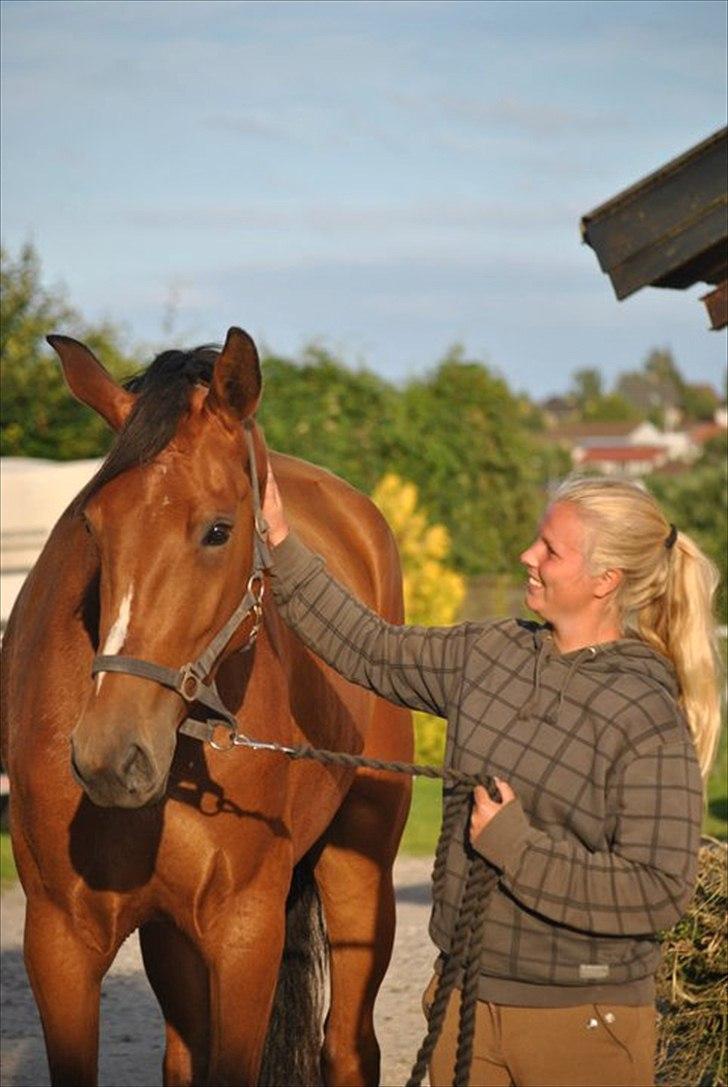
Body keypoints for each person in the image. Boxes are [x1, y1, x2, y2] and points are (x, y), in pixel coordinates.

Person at [261, 470, 721, 1087]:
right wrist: (282, 539)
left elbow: (657, 891)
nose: (527, 557)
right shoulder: (490, 652)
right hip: (464, 1007)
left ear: (604, 580)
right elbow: (370, 648)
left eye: (550, 550)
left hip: (582, 1025)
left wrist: (516, 848)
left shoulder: (644, 713)